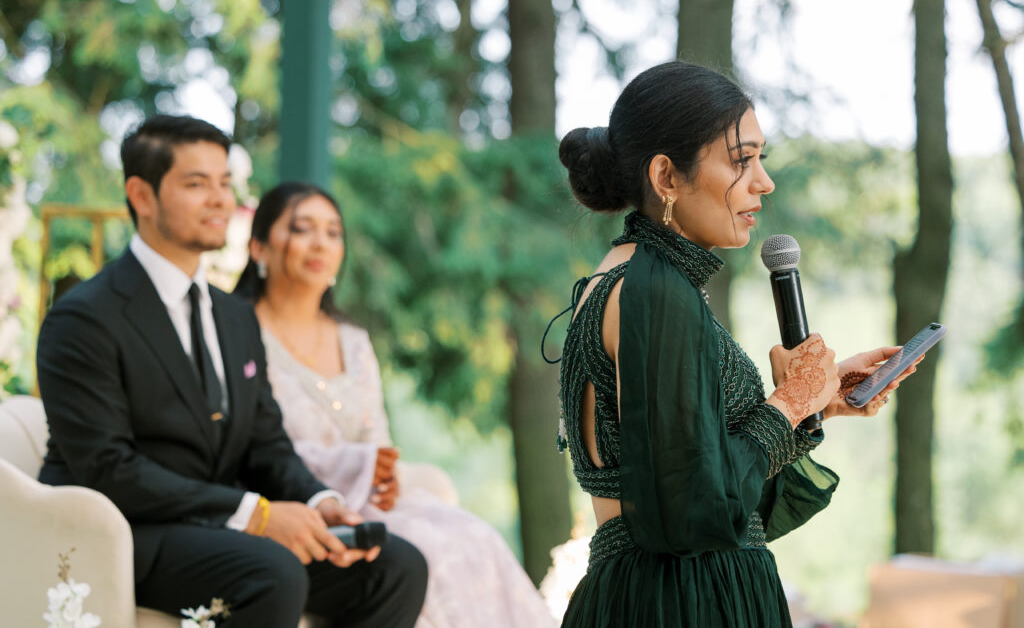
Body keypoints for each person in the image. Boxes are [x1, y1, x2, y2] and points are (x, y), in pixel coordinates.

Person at [552, 61, 920, 627]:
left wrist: (818, 398)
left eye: (760, 159)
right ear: (667, 177)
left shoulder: (620, 279)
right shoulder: (655, 292)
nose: (763, 182)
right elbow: (693, 509)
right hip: (683, 603)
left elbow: (688, 474)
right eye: (740, 159)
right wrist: (791, 401)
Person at [36, 115, 427, 628]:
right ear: (142, 195)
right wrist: (258, 515)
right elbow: (109, 469)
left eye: (225, 183)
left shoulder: (235, 316)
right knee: (274, 571)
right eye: (197, 184)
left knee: (396, 565)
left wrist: (320, 500)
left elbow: (265, 441)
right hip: (125, 529)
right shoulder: (84, 317)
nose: (221, 200)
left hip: (216, 527)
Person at [233, 182, 558, 628]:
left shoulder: (353, 339)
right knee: (425, 552)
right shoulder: (237, 331)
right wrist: (359, 466)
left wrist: (382, 473)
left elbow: (377, 440)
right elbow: (251, 444)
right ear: (259, 247)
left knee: (474, 538)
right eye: (302, 229)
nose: (320, 244)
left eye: (332, 232)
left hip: (368, 499)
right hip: (291, 503)